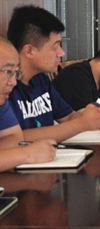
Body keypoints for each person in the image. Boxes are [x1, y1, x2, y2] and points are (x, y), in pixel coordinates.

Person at [6, 5, 100, 142]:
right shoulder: (6, 87)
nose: (61, 53)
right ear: (29, 51)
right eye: (55, 46)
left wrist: (96, 117)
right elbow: (15, 138)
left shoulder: (41, 79)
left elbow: (68, 117)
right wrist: (81, 124)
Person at [0, 35, 57, 171]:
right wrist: (26, 154)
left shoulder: (2, 101)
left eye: (15, 73)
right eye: (8, 72)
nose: (13, 82)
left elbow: (15, 137)